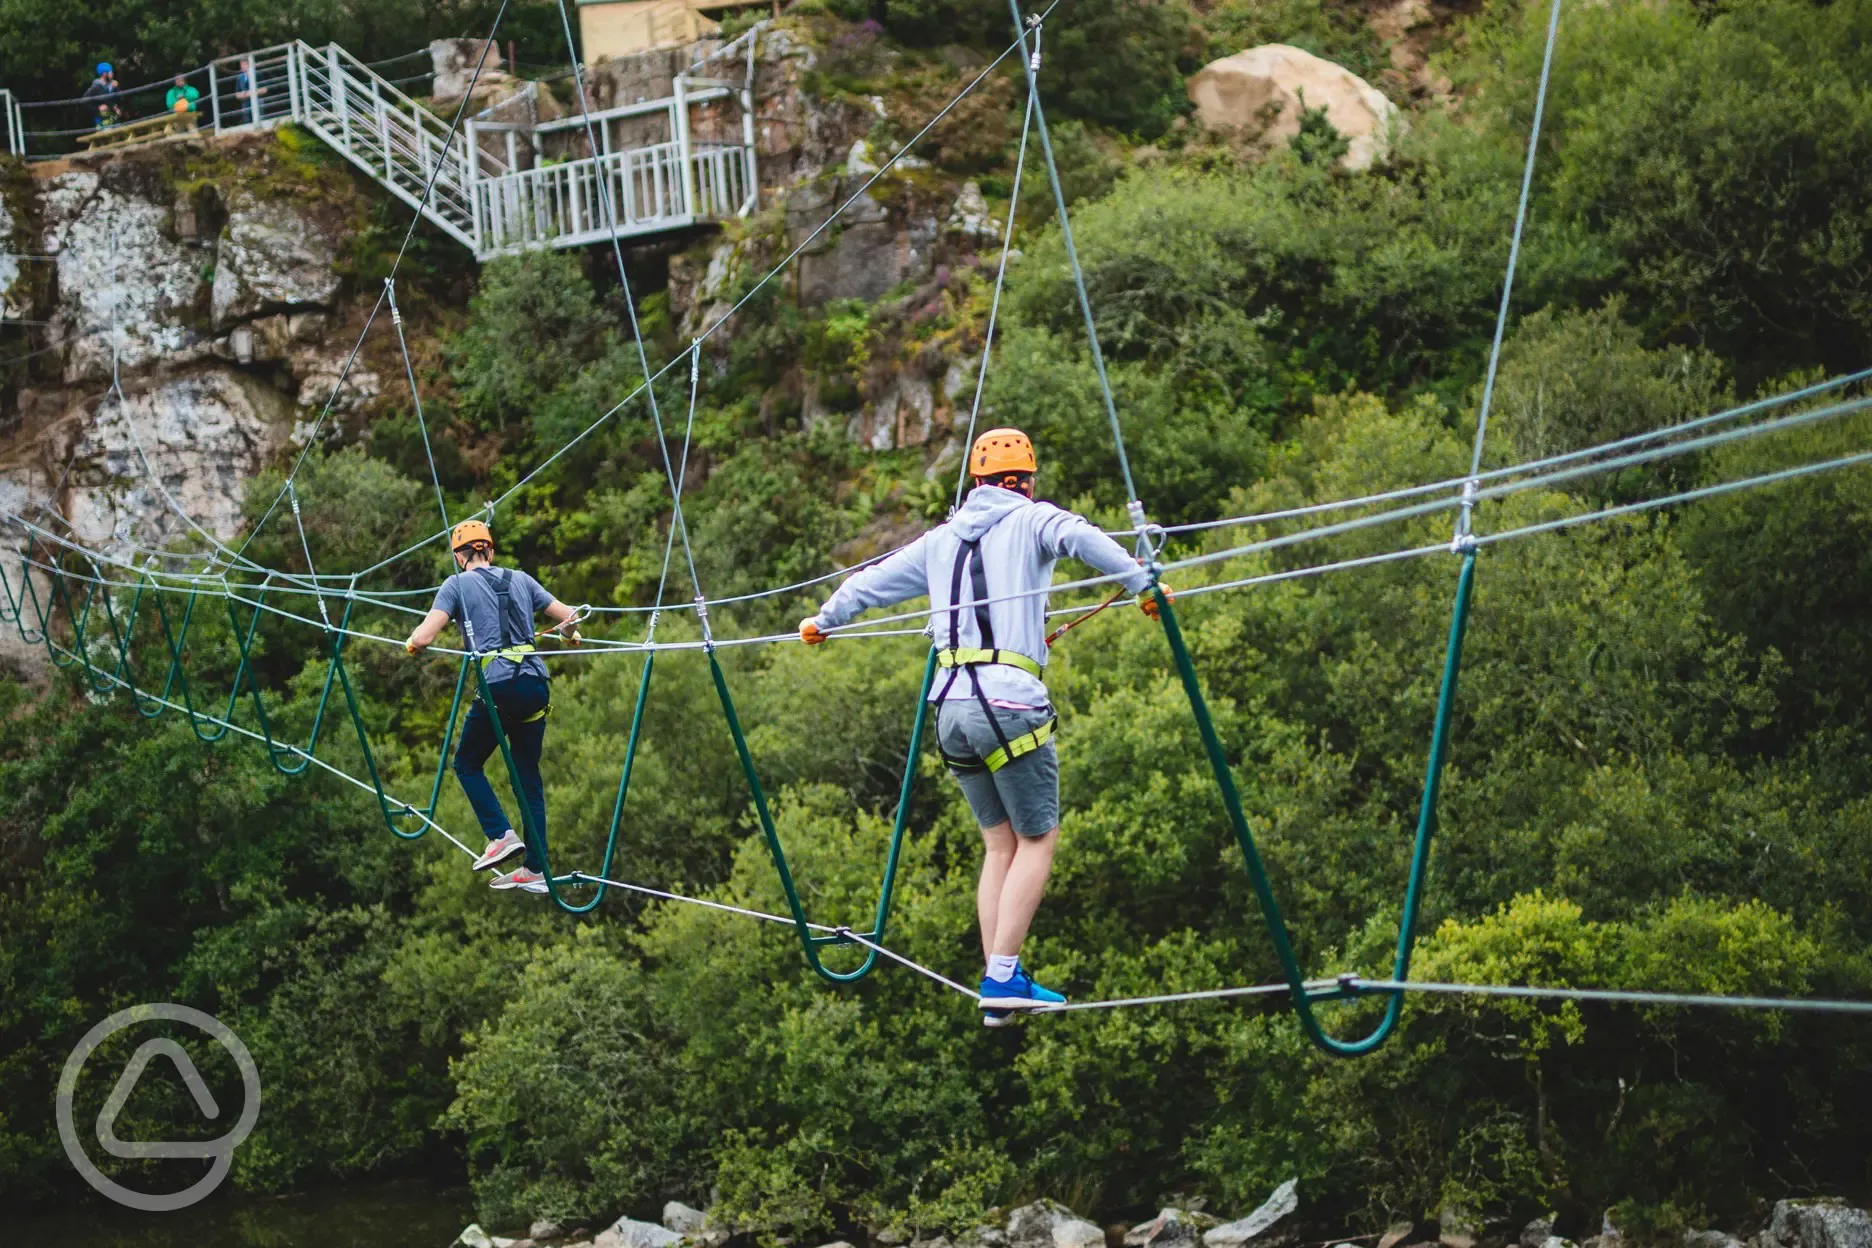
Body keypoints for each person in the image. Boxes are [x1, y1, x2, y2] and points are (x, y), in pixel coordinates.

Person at [799, 428, 1172, 1024]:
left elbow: (870, 583)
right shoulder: (1033, 519)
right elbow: (1081, 537)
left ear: (976, 483)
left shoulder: (940, 539)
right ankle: (1002, 977)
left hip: (950, 707)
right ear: (1024, 481)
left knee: (999, 843)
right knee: (1037, 839)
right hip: (1009, 704)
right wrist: (1142, 584)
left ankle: (998, 982)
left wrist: (824, 620)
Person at [404, 520, 583, 894]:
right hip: (537, 686)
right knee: (527, 778)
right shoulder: (522, 579)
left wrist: (413, 643)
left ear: (458, 556)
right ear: (491, 550)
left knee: (466, 763)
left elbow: (424, 635)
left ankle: (500, 834)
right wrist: (569, 634)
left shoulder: (455, 585)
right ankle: (536, 867)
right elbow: (571, 617)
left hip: (500, 687)